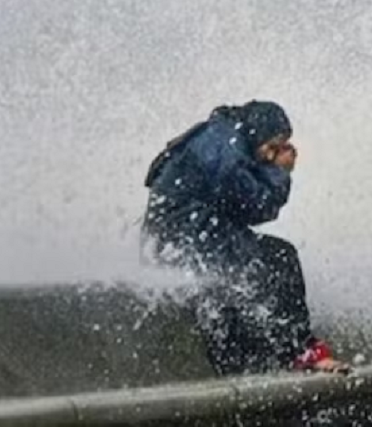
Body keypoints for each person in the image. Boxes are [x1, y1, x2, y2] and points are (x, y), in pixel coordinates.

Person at [142, 101, 348, 375]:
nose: (271, 155)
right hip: (190, 235)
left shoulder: (222, 135)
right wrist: (280, 171)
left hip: (177, 238)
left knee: (232, 290)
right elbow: (255, 204)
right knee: (280, 257)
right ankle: (302, 351)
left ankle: (239, 368)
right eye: (272, 147)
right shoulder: (226, 145)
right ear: (258, 132)